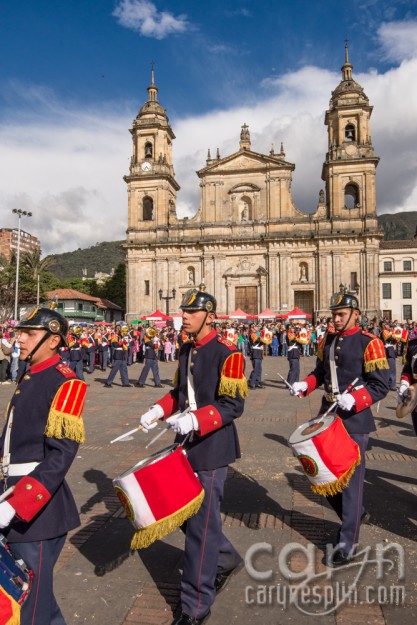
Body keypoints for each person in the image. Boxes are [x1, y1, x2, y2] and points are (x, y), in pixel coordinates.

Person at [139, 288, 247, 625]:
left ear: (209, 316)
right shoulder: (187, 349)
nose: (183, 316)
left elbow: (233, 405)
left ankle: (195, 605)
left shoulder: (228, 353)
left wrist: (196, 419)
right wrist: (160, 408)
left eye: (190, 312)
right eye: (183, 311)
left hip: (213, 447)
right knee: (182, 513)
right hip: (185, 443)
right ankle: (226, 557)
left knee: (200, 526)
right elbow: (180, 392)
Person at [290, 289, 389, 567]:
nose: (336, 319)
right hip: (328, 417)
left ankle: (348, 543)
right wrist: (305, 385)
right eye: (334, 314)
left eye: (341, 314)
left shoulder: (370, 343)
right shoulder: (329, 340)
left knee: (351, 484)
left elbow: (381, 384)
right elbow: (321, 372)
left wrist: (356, 399)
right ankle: (354, 514)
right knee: (325, 478)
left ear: (355, 314)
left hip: (354, 421)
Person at [0, 306, 86, 625]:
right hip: (11, 497)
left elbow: (60, 456)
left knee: (30, 608)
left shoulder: (64, 383)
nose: (18, 338)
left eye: (28, 333)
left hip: (35, 511)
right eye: (20, 331)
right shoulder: (30, 373)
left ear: (52, 340)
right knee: (40, 606)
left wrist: (17, 504)